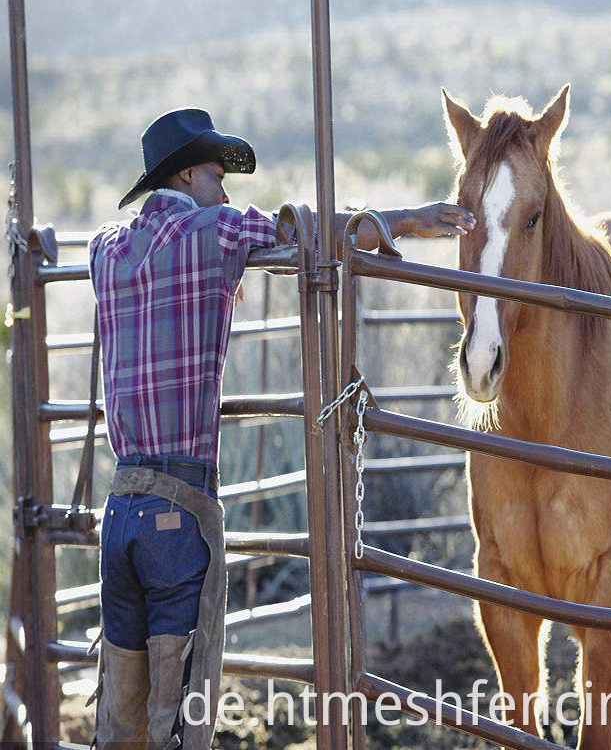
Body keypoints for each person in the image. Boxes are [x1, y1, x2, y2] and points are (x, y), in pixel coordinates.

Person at [87, 107, 475, 749]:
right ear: (186, 177)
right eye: (216, 175)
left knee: (117, 717)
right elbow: (316, 233)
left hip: (120, 511)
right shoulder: (216, 233)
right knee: (181, 718)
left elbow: (143, 260)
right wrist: (407, 220)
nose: (226, 189)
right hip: (177, 515)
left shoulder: (107, 250)